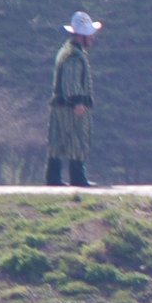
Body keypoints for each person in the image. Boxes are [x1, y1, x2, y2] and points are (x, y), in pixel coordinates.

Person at [46, 10, 100, 187]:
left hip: (61, 106)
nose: (92, 38)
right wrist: (78, 102)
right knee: (77, 139)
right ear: (81, 36)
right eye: (89, 35)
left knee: (58, 140)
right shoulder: (74, 56)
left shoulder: (67, 51)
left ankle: (53, 177)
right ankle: (77, 177)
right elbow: (71, 81)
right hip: (70, 107)